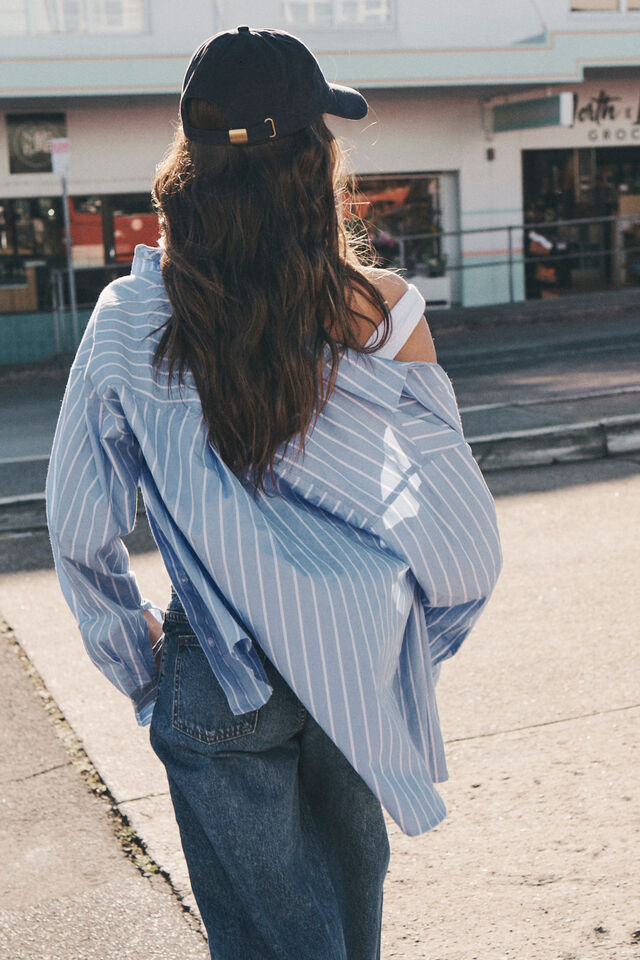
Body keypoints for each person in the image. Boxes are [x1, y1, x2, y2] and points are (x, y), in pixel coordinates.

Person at [45, 25, 502, 960]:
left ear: (190, 163)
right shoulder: (384, 311)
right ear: (316, 162)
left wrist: (147, 675)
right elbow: (462, 545)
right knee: (347, 933)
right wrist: (405, 643)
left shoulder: (131, 319)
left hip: (214, 669)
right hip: (357, 658)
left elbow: (79, 530)